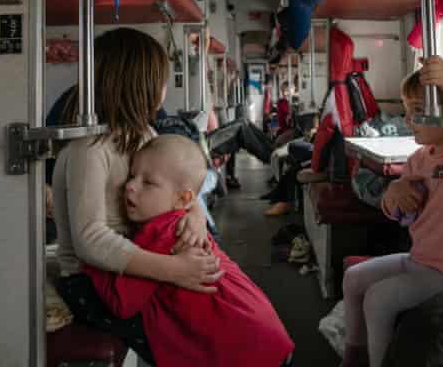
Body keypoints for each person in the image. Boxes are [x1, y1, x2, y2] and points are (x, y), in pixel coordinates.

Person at [51, 28, 222, 361]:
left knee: (221, 310)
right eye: (160, 81)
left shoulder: (144, 134)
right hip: (93, 283)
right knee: (198, 339)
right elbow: (90, 240)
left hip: (134, 269)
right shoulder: (90, 149)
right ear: (139, 85)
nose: (164, 90)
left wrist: (195, 215)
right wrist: (174, 269)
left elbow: (176, 188)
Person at [84, 134, 295, 367]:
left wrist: (90, 256)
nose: (130, 186)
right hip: (261, 333)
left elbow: (121, 303)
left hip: (247, 350)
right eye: (132, 176)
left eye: (148, 183)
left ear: (182, 198)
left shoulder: (162, 233)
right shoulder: (179, 220)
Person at [340, 56, 443, 367]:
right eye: (407, 110)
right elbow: (402, 215)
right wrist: (394, 195)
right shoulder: (418, 159)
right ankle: (354, 354)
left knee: (379, 299)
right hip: (420, 258)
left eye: (416, 112)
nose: (407, 120)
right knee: (353, 278)